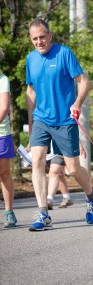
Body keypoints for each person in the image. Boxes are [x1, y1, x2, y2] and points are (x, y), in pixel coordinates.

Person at [26, 18, 93, 231]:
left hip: (65, 120)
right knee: (37, 161)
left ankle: (91, 196)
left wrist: (77, 103)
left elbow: (84, 81)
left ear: (50, 35)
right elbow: (30, 91)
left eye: (42, 37)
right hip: (41, 119)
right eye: (35, 39)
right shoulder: (31, 59)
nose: (39, 42)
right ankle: (43, 213)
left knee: (73, 167)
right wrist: (31, 122)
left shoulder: (64, 53)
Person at [0, 47, 17, 227]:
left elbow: (4, 108)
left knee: (4, 173)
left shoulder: (3, 80)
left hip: (1, 134)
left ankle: (9, 211)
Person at [47, 141, 86, 210]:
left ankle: (49, 199)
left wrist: (80, 145)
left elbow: (71, 130)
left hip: (60, 149)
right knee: (60, 175)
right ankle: (66, 197)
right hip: (47, 151)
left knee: (54, 172)